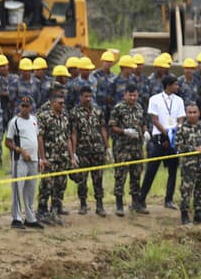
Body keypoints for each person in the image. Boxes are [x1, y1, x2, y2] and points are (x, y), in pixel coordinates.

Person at [140, 74, 184, 211]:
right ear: (168, 85)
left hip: (174, 138)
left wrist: (177, 130)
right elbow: (154, 119)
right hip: (159, 138)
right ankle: (141, 199)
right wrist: (166, 134)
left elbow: (181, 118)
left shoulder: (179, 100)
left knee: (173, 170)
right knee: (151, 169)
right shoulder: (155, 99)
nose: (177, 86)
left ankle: (169, 199)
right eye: (175, 84)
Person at [68, 85, 108, 216]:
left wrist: (107, 147)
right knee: (82, 180)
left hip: (97, 150)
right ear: (80, 97)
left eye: (90, 96)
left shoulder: (98, 110)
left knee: (98, 179)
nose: (88, 99)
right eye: (86, 96)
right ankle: (83, 204)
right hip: (82, 151)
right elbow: (73, 133)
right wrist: (73, 153)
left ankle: (100, 205)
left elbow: (102, 129)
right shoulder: (74, 112)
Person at [6, 95, 43, 228]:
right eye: (23, 106)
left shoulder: (34, 120)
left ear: (31, 107)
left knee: (31, 190)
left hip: (33, 159)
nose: (25, 108)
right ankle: (16, 218)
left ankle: (30, 217)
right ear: (19, 106)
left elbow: (38, 138)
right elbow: (8, 142)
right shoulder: (14, 122)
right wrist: (20, 150)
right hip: (20, 160)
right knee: (17, 189)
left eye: (27, 106)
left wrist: (41, 158)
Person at [108, 84, 144, 217]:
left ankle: (135, 203)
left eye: (135, 95)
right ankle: (119, 205)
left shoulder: (139, 107)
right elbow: (112, 126)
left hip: (137, 148)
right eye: (130, 95)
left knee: (136, 175)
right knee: (120, 176)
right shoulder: (118, 108)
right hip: (122, 148)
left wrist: (145, 131)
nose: (133, 98)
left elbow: (143, 122)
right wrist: (124, 132)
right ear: (125, 95)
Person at [38, 88, 71, 225]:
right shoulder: (44, 117)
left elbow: (67, 137)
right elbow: (40, 137)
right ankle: (41, 211)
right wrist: (42, 157)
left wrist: (71, 155)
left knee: (60, 185)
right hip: (50, 157)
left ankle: (55, 211)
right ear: (52, 103)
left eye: (63, 103)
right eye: (60, 103)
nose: (62, 106)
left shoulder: (64, 117)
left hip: (62, 158)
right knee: (46, 185)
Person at [176, 103, 201, 224]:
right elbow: (178, 146)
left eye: (194, 112)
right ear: (186, 114)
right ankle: (184, 214)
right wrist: (193, 149)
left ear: (199, 113)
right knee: (186, 189)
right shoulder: (181, 128)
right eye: (189, 112)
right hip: (188, 165)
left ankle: (199, 213)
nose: (192, 115)